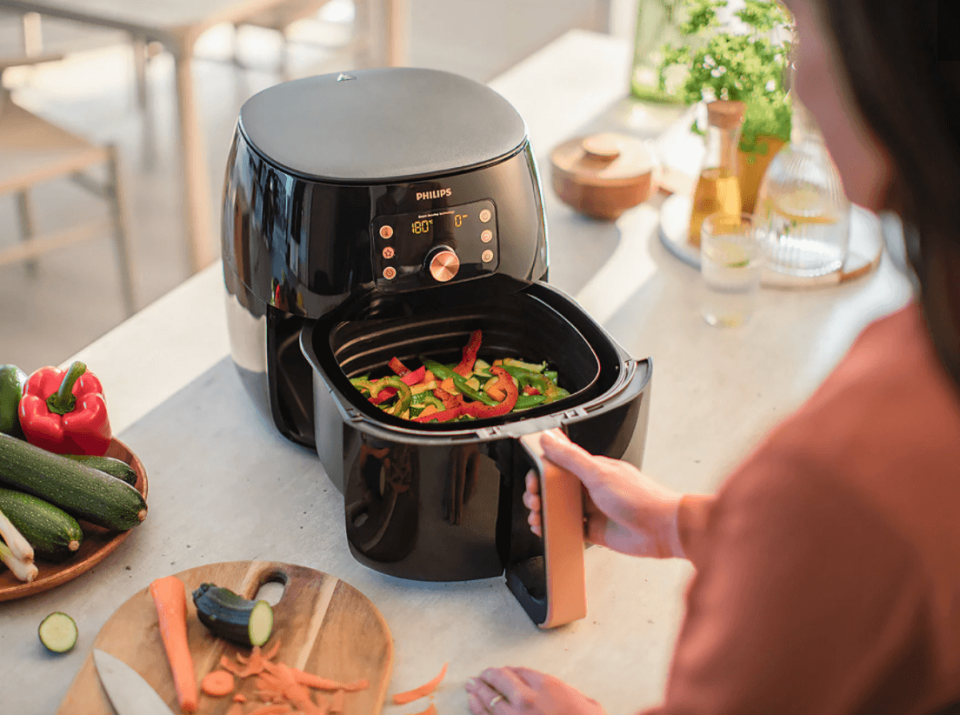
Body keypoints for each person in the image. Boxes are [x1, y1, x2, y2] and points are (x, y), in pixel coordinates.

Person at [465, 0, 960, 712]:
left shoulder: (835, 479)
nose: (793, 82)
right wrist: (689, 524)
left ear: (894, 66)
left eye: (804, 29)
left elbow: (849, 520)